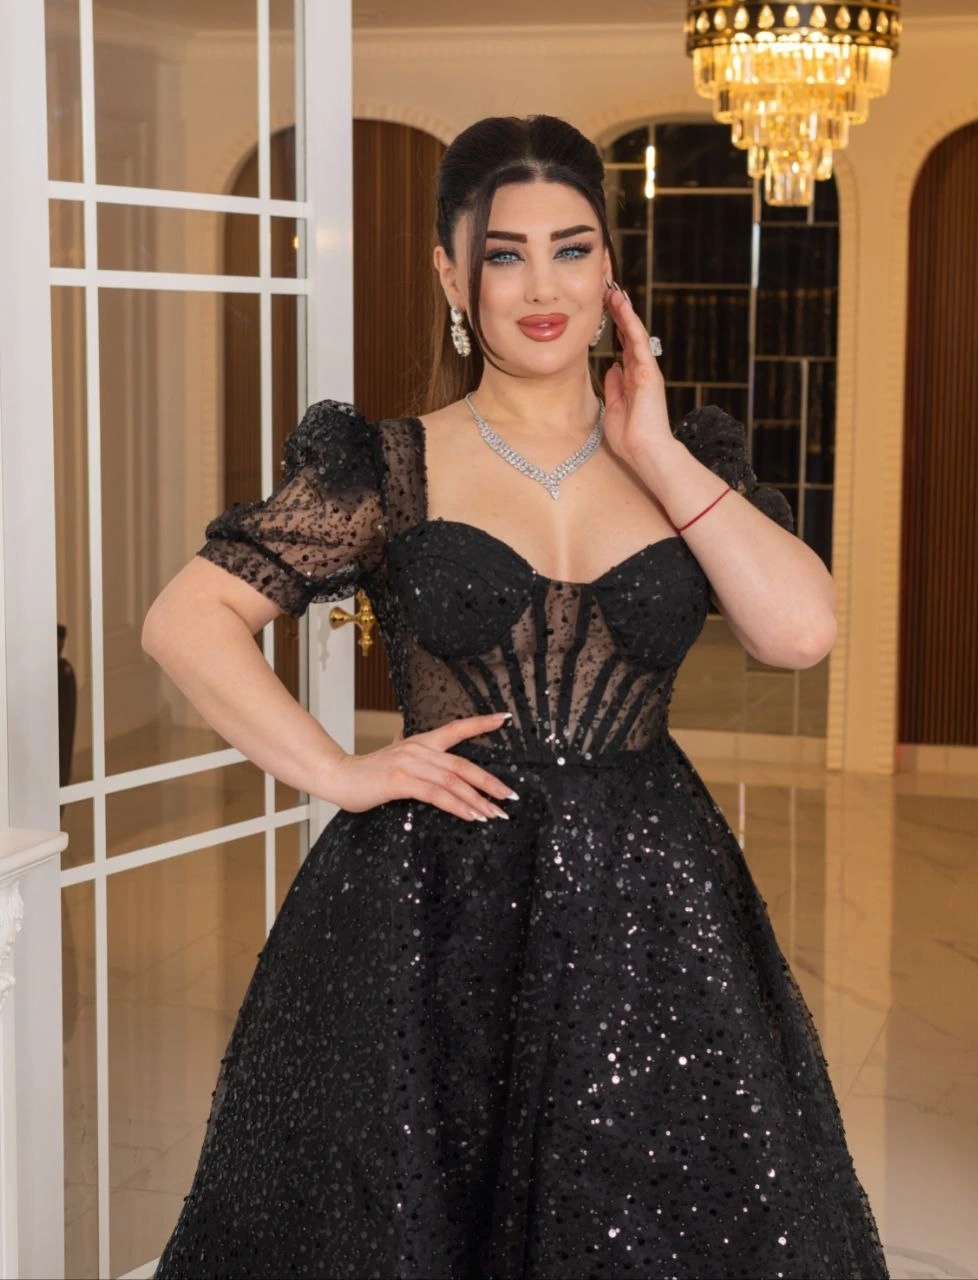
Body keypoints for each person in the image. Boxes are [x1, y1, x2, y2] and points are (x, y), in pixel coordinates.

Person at [145, 114, 889, 1279]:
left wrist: (656, 450)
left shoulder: (684, 458)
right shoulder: (389, 466)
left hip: (651, 905)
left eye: (571, 248)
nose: (543, 286)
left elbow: (798, 633)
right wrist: (339, 768)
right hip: (430, 909)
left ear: (609, 269)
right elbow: (186, 619)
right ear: (453, 277)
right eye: (504, 254)